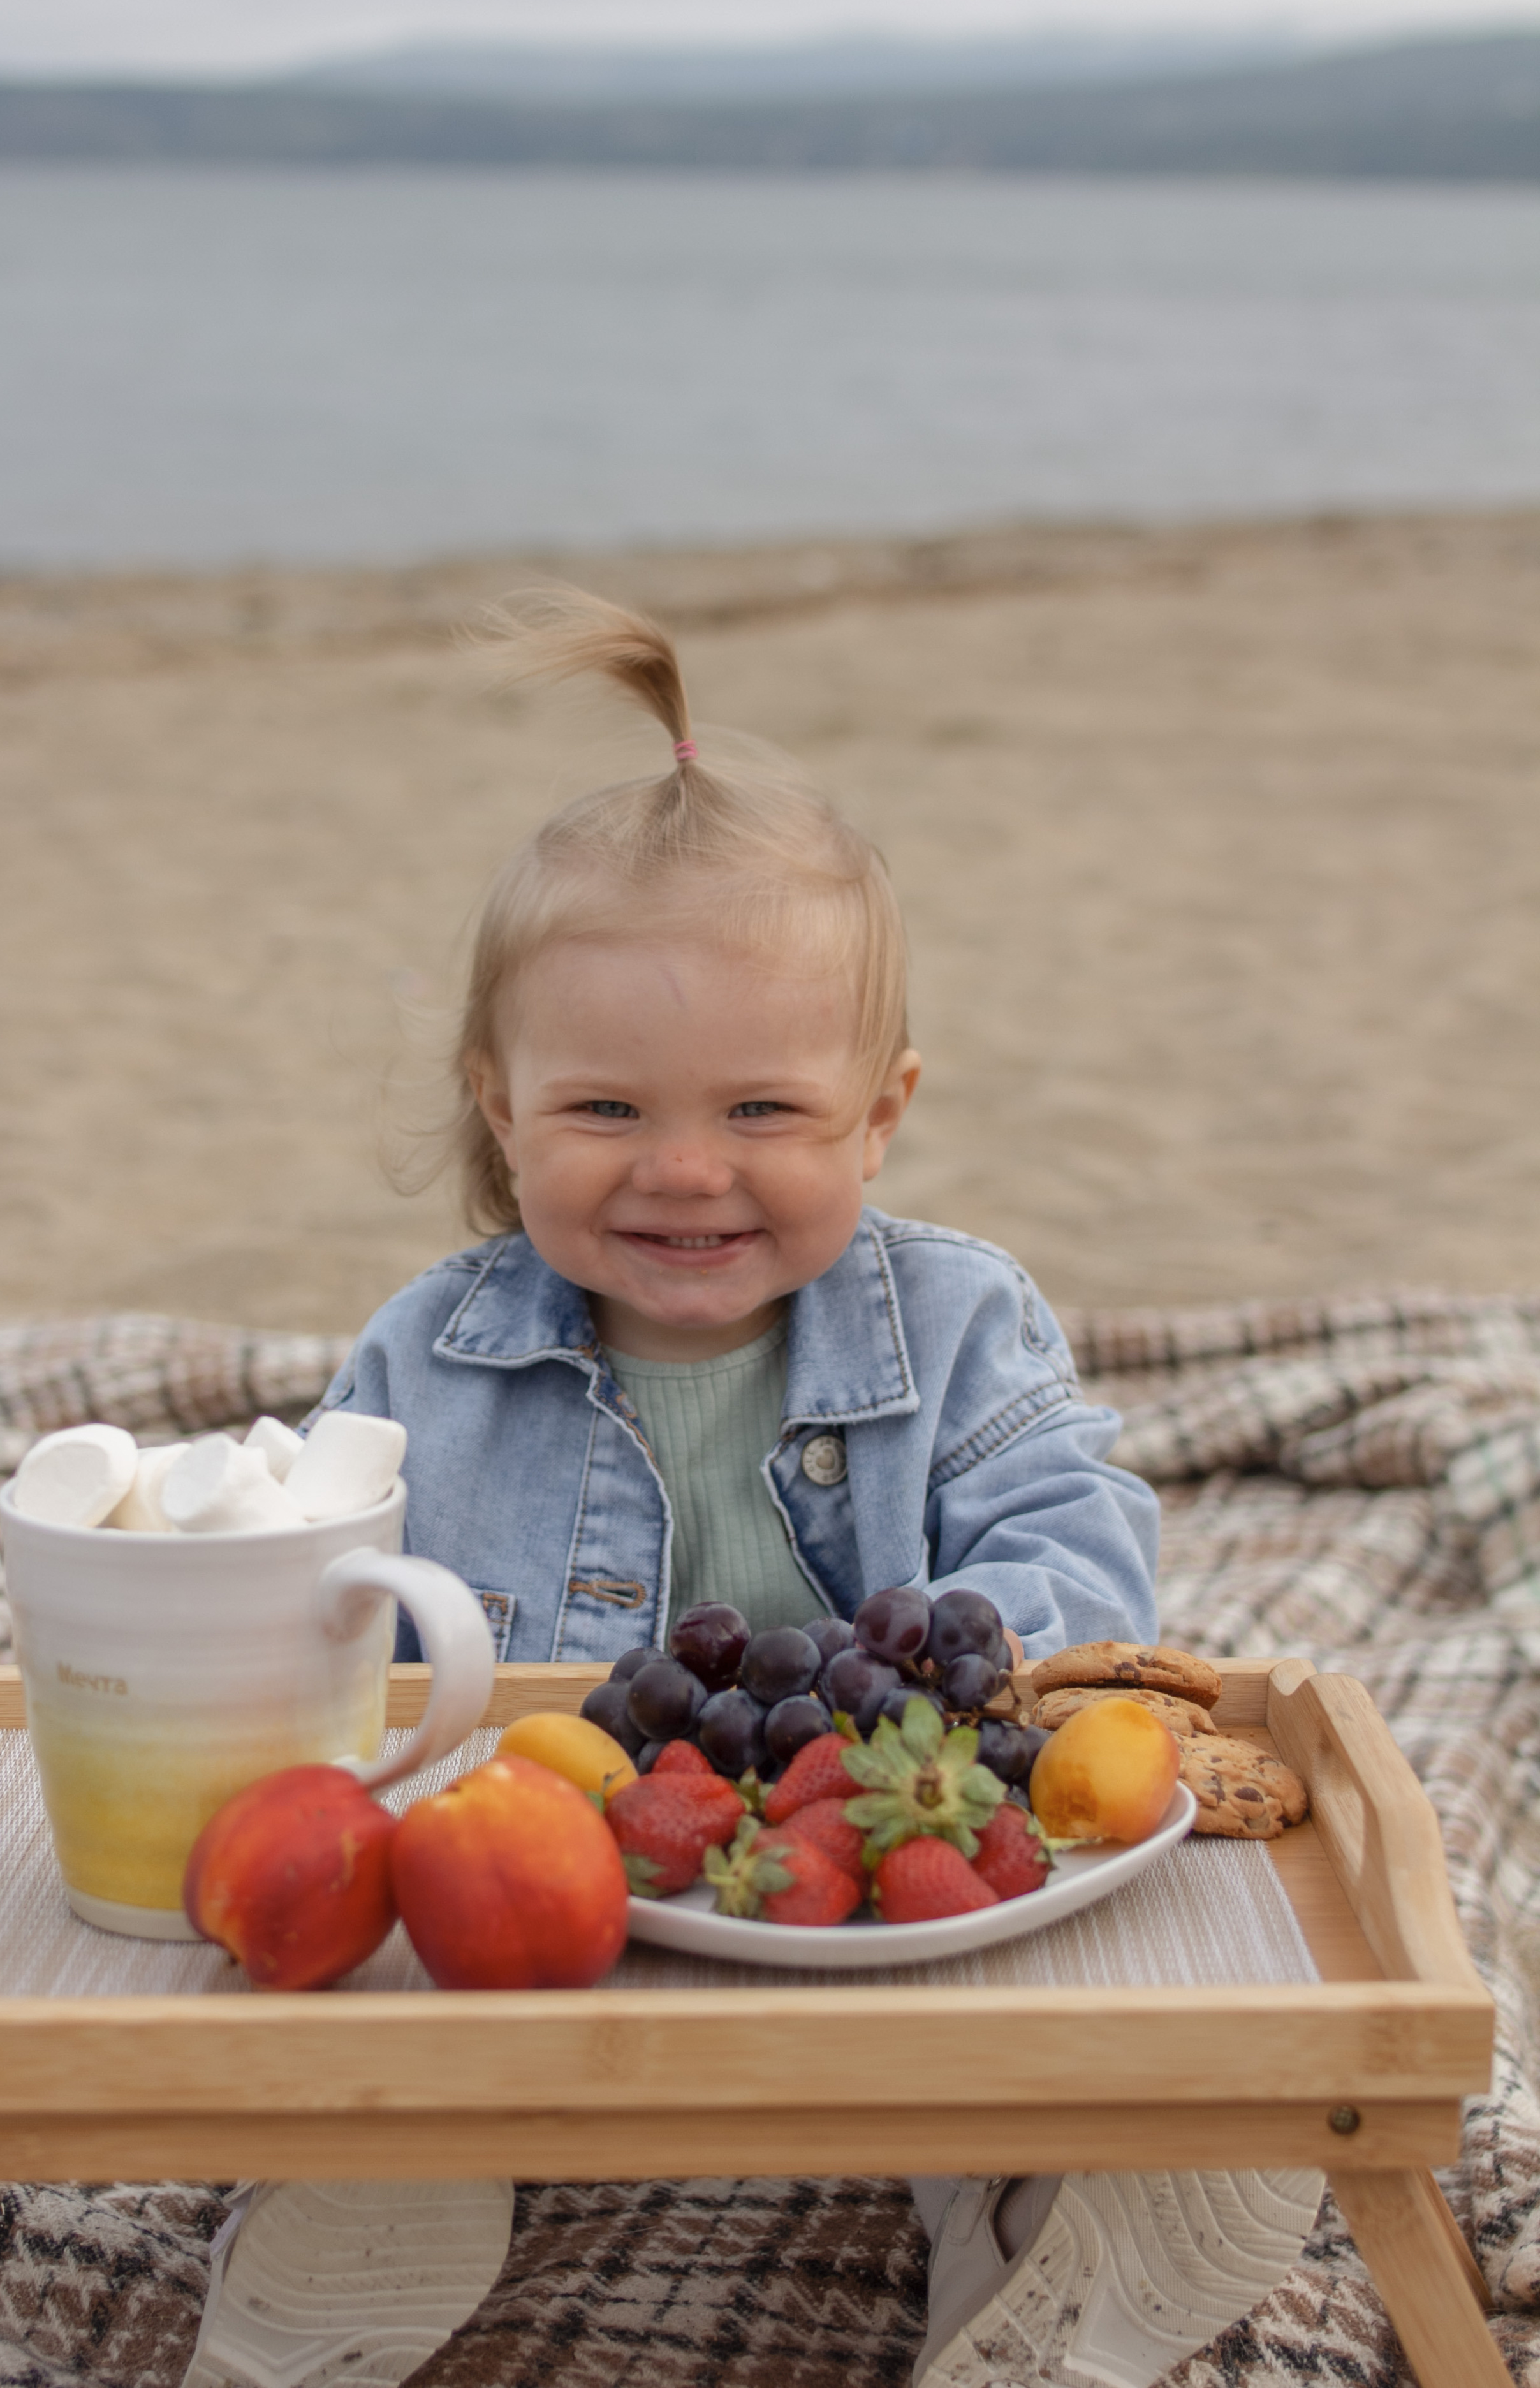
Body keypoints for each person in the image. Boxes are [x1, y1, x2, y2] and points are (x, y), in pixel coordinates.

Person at [186, 590, 1320, 2388]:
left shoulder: (958, 1325)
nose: (686, 1171)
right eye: (607, 1111)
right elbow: (314, 1604)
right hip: (555, 1907)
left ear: (883, 1112)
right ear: (499, 1105)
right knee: (386, 2031)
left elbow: (1081, 1558)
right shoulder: (426, 1355)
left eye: (765, 1113)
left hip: (884, 1880)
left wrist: (947, 1694)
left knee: (1068, 2014)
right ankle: (385, 2206)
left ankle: (1034, 2236)